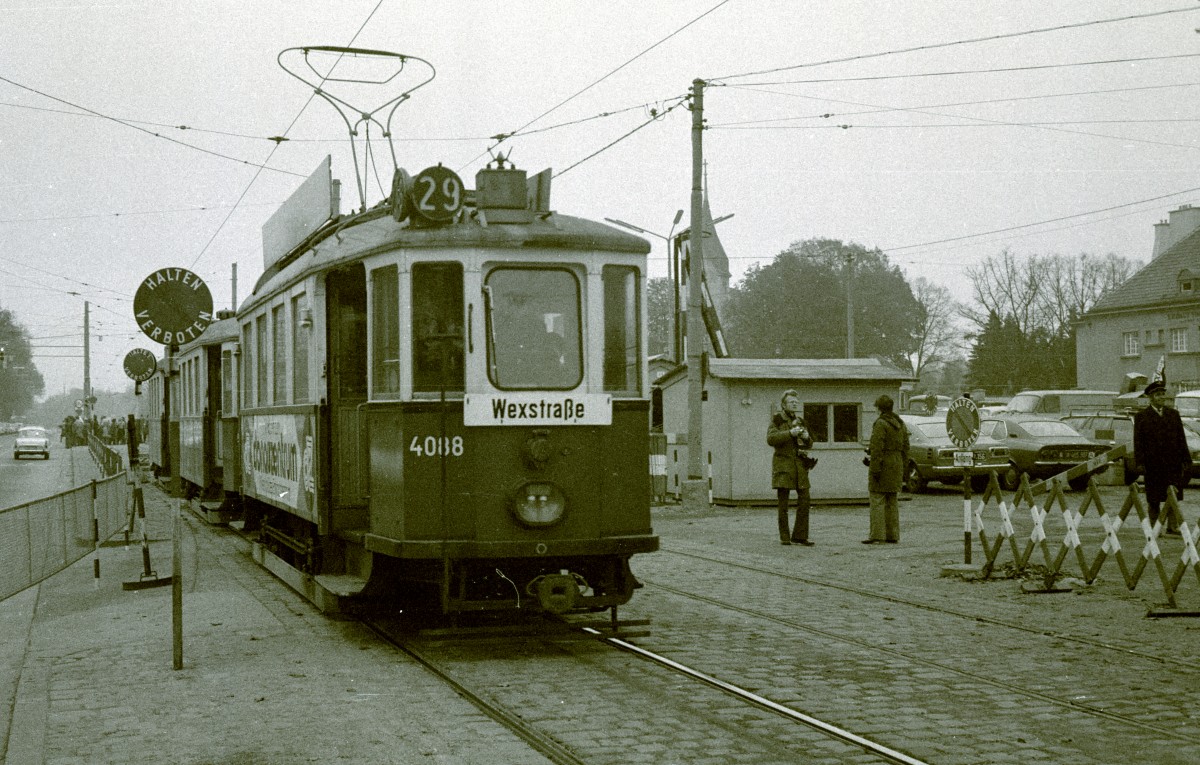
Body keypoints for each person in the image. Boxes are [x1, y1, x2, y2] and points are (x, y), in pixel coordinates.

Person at [1133, 380, 1191, 536]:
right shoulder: (1142, 417)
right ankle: (1154, 527)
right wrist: (1139, 462)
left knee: (1172, 495)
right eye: (1158, 395)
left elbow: (1181, 438)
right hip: (1153, 465)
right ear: (1151, 397)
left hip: (1173, 464)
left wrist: (1186, 458)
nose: (1162, 397)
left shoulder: (1173, 414)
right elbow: (1138, 442)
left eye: (1163, 394)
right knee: (1154, 498)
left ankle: (1172, 526)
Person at [767, 389, 816, 546]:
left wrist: (807, 438)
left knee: (805, 500)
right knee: (783, 503)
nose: (794, 404)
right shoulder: (777, 419)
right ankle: (785, 537)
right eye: (791, 402)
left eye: (796, 402)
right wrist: (790, 433)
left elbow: (809, 444)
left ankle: (800, 536)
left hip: (799, 466)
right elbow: (770, 439)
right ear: (783, 404)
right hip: (784, 466)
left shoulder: (800, 421)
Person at [864, 394, 908, 544]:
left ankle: (877, 535)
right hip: (897, 464)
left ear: (879, 408)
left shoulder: (880, 424)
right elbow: (906, 448)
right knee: (892, 501)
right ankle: (892, 535)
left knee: (877, 499)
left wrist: (874, 468)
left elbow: (877, 449)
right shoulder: (900, 424)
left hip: (883, 465)